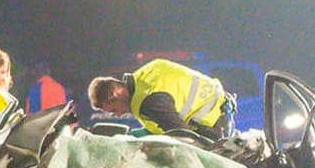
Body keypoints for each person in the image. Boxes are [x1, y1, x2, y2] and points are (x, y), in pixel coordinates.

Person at [88, 57, 234, 140]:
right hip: (219, 105)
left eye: (114, 110)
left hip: (211, 126)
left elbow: (184, 136)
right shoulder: (146, 75)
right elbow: (164, 124)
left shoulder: (149, 102)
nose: (118, 115)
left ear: (116, 94)